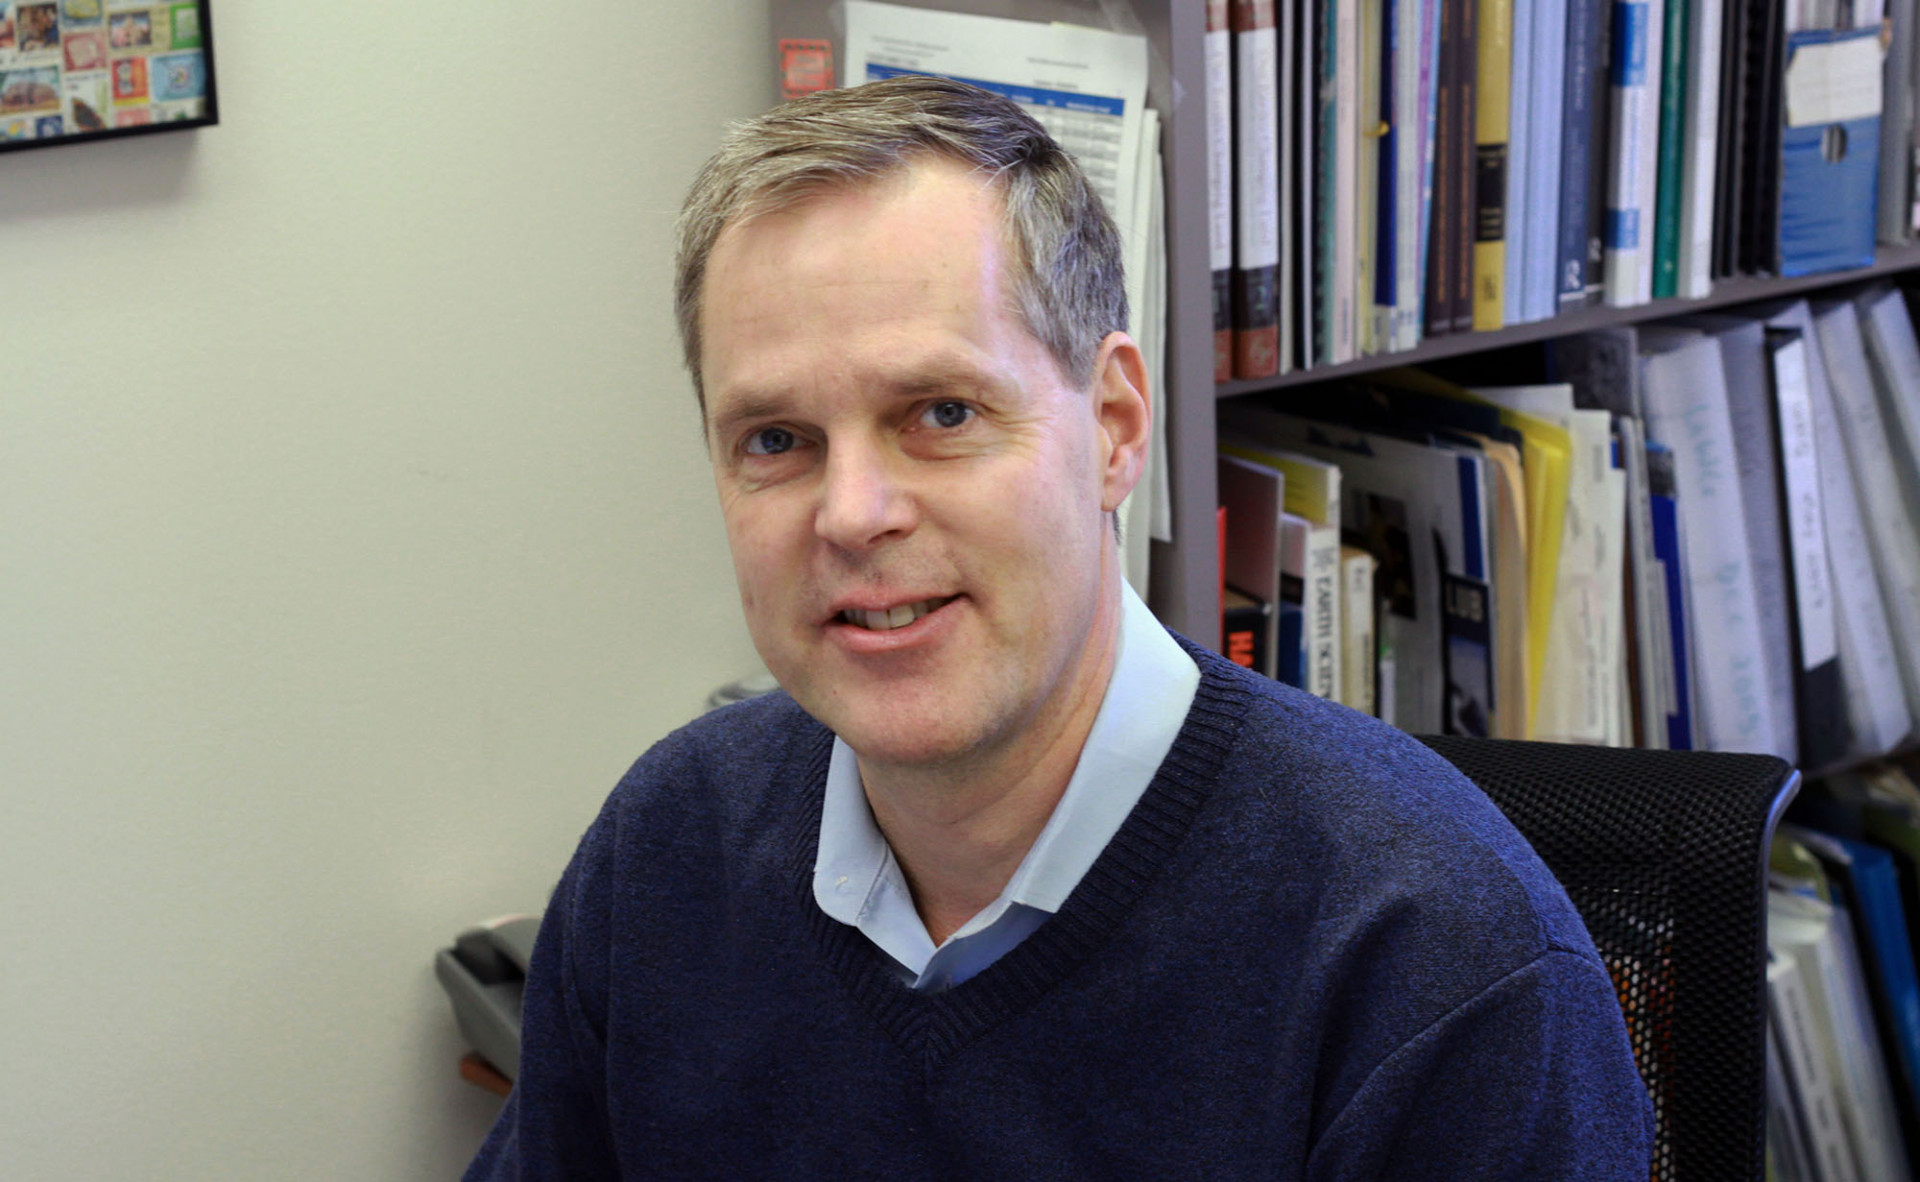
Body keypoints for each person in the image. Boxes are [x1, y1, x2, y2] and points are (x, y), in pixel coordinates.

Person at [465, 75, 1652, 1180]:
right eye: (775, 441)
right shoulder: (668, 847)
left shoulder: (1435, 964)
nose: (853, 514)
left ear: (1117, 427)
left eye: (940, 412)